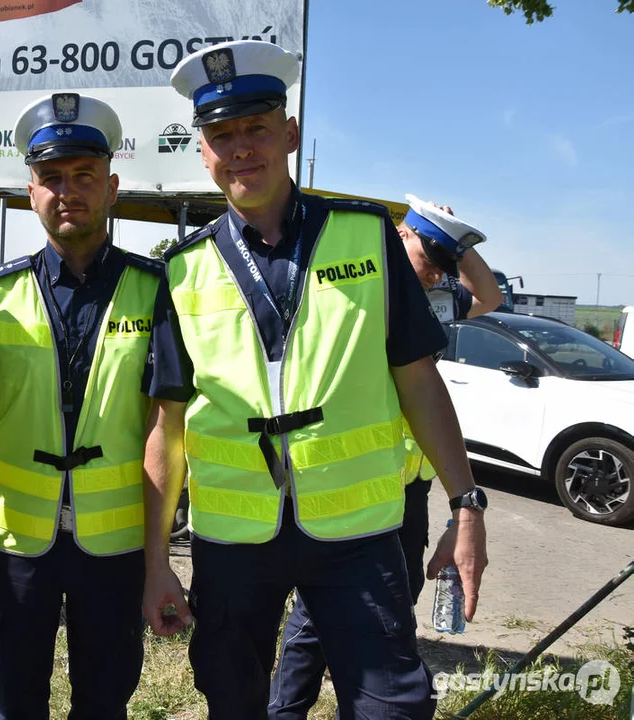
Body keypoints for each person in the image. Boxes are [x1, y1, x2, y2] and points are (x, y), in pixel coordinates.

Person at [141, 40, 489, 720]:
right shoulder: (180, 269)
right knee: (235, 701)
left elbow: (417, 379)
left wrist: (465, 504)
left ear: (289, 133)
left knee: (393, 705)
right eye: (221, 135)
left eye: (255, 128)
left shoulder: (365, 236)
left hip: (357, 535)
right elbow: (167, 424)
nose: (240, 148)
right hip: (233, 542)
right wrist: (156, 561)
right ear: (203, 151)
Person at [269, 198, 502, 718]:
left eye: (446, 265)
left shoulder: (433, 300)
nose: (438, 272)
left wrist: (457, 248)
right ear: (399, 237)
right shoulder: (353, 292)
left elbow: (490, 295)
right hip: (353, 488)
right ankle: (285, 709)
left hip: (407, 493)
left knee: (394, 605)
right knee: (314, 618)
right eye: (430, 256)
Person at [0, 92, 160, 719]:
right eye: (50, 178)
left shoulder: (158, 292)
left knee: (105, 701)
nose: (67, 191)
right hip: (17, 540)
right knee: (14, 699)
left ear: (112, 187)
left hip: (115, 544)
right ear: (30, 192)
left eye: (83, 176)